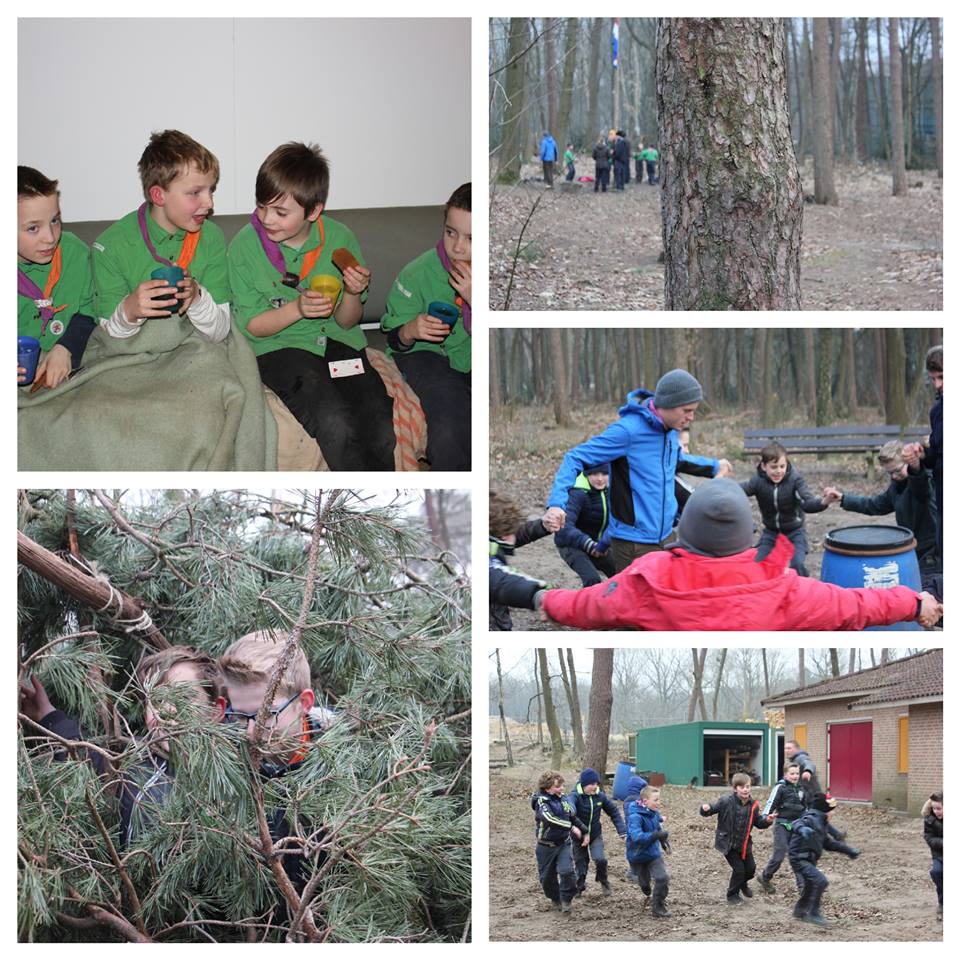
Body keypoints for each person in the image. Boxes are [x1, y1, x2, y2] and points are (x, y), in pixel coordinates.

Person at [538, 478, 943, 630]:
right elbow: (856, 603)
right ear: (745, 536)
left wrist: (541, 598)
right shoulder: (783, 586)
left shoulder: (648, 576)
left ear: (688, 528)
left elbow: (587, 604)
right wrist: (912, 601)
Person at [228, 141, 395, 470]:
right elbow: (251, 326)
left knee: (380, 428)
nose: (266, 219)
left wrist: (351, 291)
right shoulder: (243, 248)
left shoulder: (339, 238)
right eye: (262, 206)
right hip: (279, 347)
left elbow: (348, 323)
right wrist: (298, 310)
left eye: (280, 212)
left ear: (314, 211)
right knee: (335, 424)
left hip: (339, 342)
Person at [19, 647, 226, 847]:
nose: (168, 710)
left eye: (183, 697)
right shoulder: (133, 768)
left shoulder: (237, 782)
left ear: (215, 711)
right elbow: (86, 760)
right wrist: (48, 715)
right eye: (157, 699)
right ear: (146, 714)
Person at [544, 369, 730, 574]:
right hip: (634, 544)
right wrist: (556, 504)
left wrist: (713, 466)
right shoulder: (628, 431)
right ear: (668, 403)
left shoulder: (669, 430)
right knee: (640, 605)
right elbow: (575, 457)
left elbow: (677, 459)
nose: (692, 417)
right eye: (687, 410)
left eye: (694, 410)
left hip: (668, 537)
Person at [218, 630, 338, 890]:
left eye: (267, 715)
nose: (252, 733)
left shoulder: (345, 764)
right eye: (239, 717)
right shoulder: (226, 772)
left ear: (304, 703)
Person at [92, 129, 230, 345]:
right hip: (133, 356)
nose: (209, 203)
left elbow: (220, 333)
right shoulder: (111, 247)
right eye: (195, 193)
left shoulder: (212, 238)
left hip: (194, 352)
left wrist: (196, 299)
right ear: (158, 195)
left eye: (211, 190)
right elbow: (107, 338)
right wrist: (129, 311)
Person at [381, 183, 471, 470]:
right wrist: (410, 329)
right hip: (423, 356)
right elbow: (393, 337)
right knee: (448, 425)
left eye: (472, 238)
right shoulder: (417, 273)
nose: (458, 246)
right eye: (450, 232)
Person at [17, 166, 96, 388]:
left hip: (70, 357)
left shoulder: (74, 252)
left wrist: (66, 348)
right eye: (33, 228)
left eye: (55, 221)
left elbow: (90, 309)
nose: (50, 238)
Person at [823, 439, 939, 572]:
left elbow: (921, 488)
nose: (894, 476)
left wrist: (916, 468)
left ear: (909, 462)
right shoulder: (896, 487)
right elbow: (874, 505)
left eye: (897, 471)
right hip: (912, 549)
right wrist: (843, 498)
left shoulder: (925, 481)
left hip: (932, 552)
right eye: (890, 473)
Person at [740, 442, 830, 576]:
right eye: (774, 467)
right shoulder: (758, 481)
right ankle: (766, 590)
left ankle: (803, 589)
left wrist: (825, 501)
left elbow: (808, 503)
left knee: (797, 563)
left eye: (782, 466)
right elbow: (738, 490)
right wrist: (721, 484)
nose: (778, 471)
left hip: (795, 532)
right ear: (764, 466)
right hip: (771, 532)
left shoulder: (795, 480)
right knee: (757, 562)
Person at [699, 771, 776, 905]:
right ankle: (732, 895)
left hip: (744, 844)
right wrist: (705, 809)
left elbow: (758, 822)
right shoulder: (726, 801)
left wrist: (768, 821)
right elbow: (712, 809)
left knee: (751, 870)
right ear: (735, 789)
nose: (745, 789)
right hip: (728, 844)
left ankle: (742, 884)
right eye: (742, 787)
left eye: (747, 786)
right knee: (739, 870)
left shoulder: (753, 805)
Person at [785, 793, 860, 926]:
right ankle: (813, 913)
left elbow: (829, 844)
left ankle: (800, 910)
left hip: (809, 859)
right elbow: (796, 823)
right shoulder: (811, 818)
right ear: (823, 811)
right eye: (831, 811)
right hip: (799, 858)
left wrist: (848, 850)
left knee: (810, 884)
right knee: (821, 881)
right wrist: (802, 829)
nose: (832, 814)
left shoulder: (822, 824)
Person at [489, 490, 558, 631]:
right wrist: (537, 594)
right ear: (504, 536)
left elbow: (513, 535)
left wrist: (542, 526)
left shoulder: (492, 538)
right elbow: (499, 579)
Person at [904, 345, 942, 557]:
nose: (938, 385)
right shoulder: (937, 411)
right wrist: (921, 455)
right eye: (934, 379)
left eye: (943, 377)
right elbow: (936, 455)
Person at [531, 771, 587, 914]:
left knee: (567, 871)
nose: (561, 789)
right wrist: (570, 827)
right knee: (546, 879)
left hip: (563, 843)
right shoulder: (541, 801)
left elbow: (572, 816)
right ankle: (555, 898)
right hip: (545, 846)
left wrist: (584, 831)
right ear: (547, 787)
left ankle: (566, 899)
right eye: (558, 786)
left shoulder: (564, 799)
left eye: (562, 785)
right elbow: (549, 818)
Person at [566, 768, 626, 897]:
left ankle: (603, 880)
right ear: (584, 784)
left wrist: (622, 831)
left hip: (595, 835)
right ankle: (579, 886)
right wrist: (570, 810)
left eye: (596, 783)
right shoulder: (575, 796)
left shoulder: (600, 796)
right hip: (578, 836)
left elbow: (614, 812)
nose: (595, 786)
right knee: (581, 863)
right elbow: (570, 808)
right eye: (591, 784)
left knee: (600, 859)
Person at [553, 463, 616, 587]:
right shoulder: (578, 493)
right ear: (587, 474)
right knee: (592, 579)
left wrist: (603, 543)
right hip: (571, 545)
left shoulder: (611, 491)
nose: (600, 478)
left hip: (598, 545)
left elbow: (618, 520)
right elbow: (564, 527)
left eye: (604, 473)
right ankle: (586, 605)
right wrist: (588, 544)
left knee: (620, 574)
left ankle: (617, 604)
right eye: (594, 474)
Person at [758, 761, 807, 892]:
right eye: (792, 774)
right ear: (785, 775)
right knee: (779, 856)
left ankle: (802, 887)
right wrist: (765, 817)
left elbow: (805, 807)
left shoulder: (802, 789)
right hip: (782, 825)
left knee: (797, 856)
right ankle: (765, 877)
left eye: (797, 773)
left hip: (797, 825)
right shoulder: (781, 787)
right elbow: (770, 803)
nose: (795, 776)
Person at [626, 785, 671, 917]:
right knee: (645, 884)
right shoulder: (635, 816)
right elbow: (636, 836)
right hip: (637, 856)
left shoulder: (655, 814)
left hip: (653, 854)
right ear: (645, 801)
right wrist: (654, 836)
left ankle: (658, 907)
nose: (658, 803)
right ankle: (644, 885)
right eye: (655, 800)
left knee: (663, 878)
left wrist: (664, 841)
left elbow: (658, 829)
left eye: (659, 799)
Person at [922, 790, 943, 920]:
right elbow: (929, 838)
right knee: (936, 872)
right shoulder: (929, 820)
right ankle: (942, 902)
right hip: (939, 854)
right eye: (934, 808)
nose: (936, 811)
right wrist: (943, 843)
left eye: (939, 808)